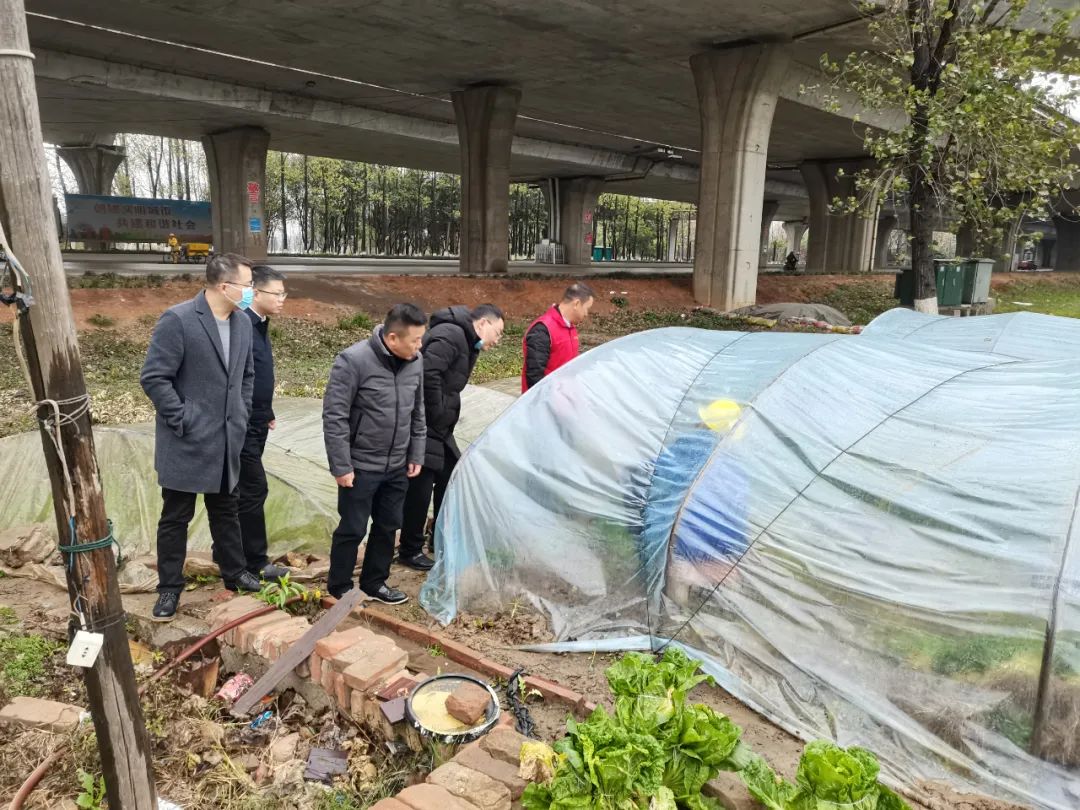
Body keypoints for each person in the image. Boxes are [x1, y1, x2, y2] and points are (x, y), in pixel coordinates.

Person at [140, 252, 263, 621]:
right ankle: (169, 588)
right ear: (225, 286)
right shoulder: (178, 320)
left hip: (227, 436)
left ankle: (235, 571)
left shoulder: (242, 323)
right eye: (247, 285)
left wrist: (240, 413)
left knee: (227, 508)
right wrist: (183, 417)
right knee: (176, 515)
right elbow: (154, 378)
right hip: (187, 438)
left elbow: (246, 376)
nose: (250, 292)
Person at [322, 303, 427, 605]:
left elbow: (417, 411)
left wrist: (415, 453)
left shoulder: (415, 362)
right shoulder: (353, 361)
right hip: (360, 465)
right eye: (415, 340)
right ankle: (339, 585)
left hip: (397, 465)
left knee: (388, 525)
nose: (420, 346)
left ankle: (374, 582)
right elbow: (335, 416)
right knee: (353, 528)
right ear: (393, 338)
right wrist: (341, 465)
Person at [398, 304, 505, 570]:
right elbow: (428, 374)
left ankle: (440, 540)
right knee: (421, 487)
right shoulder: (451, 335)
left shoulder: (465, 340)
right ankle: (410, 550)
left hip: (438, 426)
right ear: (482, 324)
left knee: (451, 477)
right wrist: (437, 413)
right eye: (498, 332)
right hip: (425, 423)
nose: (498, 340)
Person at [235, 265, 291, 582]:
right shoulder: (242, 324)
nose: (283, 299)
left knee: (245, 490)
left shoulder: (259, 324)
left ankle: (230, 550)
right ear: (255, 292)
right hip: (241, 425)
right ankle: (254, 561)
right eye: (277, 293)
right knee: (254, 488)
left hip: (256, 421)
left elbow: (256, 374)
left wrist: (265, 410)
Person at [521, 282, 595, 392]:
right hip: (546, 401)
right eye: (587, 308)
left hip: (564, 397)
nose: (586, 313)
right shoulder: (543, 329)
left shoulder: (570, 327)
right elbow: (534, 375)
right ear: (576, 304)